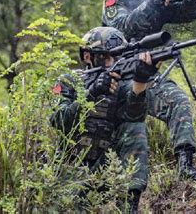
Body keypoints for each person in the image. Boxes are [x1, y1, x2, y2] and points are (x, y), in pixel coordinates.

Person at [101, 0, 196, 180]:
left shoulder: (161, 2)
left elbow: (190, 14)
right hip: (112, 76)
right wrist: (154, 2)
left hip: (143, 70)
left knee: (177, 101)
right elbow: (124, 27)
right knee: (111, 135)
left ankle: (185, 164)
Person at [51, 26, 158, 212]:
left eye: (115, 58)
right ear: (87, 56)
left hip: (108, 169)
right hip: (71, 170)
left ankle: (129, 204)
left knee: (135, 128)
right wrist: (91, 94)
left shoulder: (122, 83)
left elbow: (135, 116)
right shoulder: (68, 82)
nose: (110, 64)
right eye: (104, 57)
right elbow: (58, 121)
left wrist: (140, 82)